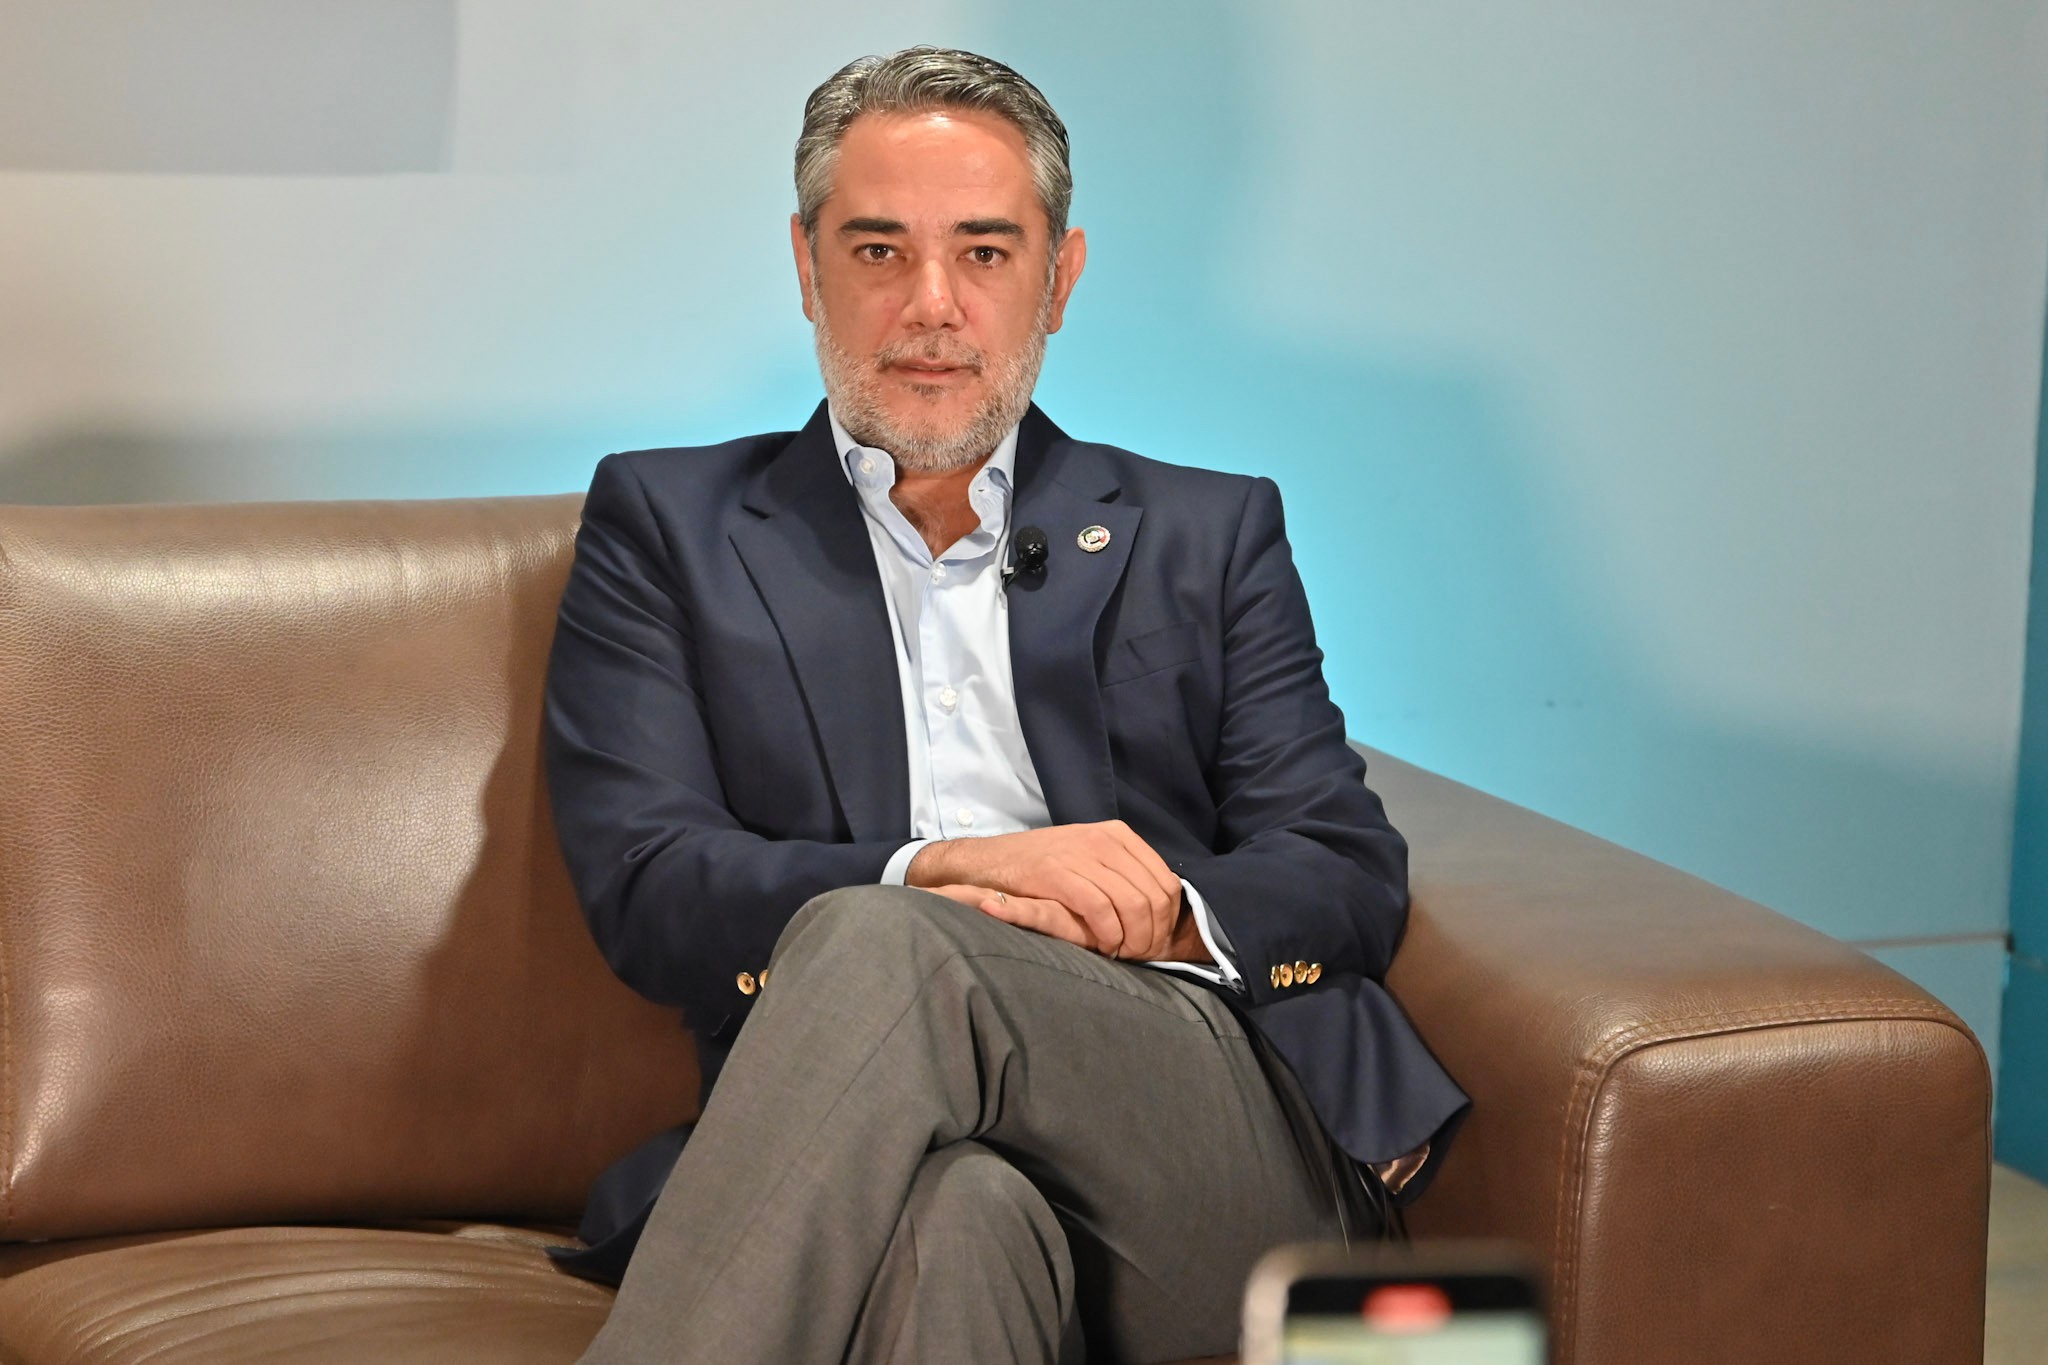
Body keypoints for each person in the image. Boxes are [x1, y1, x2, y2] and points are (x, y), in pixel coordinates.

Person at [543, 45, 1468, 1364]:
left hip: (1203, 1130)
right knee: (962, 1219)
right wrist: (943, 870)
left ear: (1059, 278)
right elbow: (649, 885)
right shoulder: (668, 524)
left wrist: (1158, 911)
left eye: (984, 252)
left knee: (890, 946)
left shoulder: (1206, 532)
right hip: (884, 1141)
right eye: (879, 251)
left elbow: (1342, 868)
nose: (932, 305)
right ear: (806, 266)